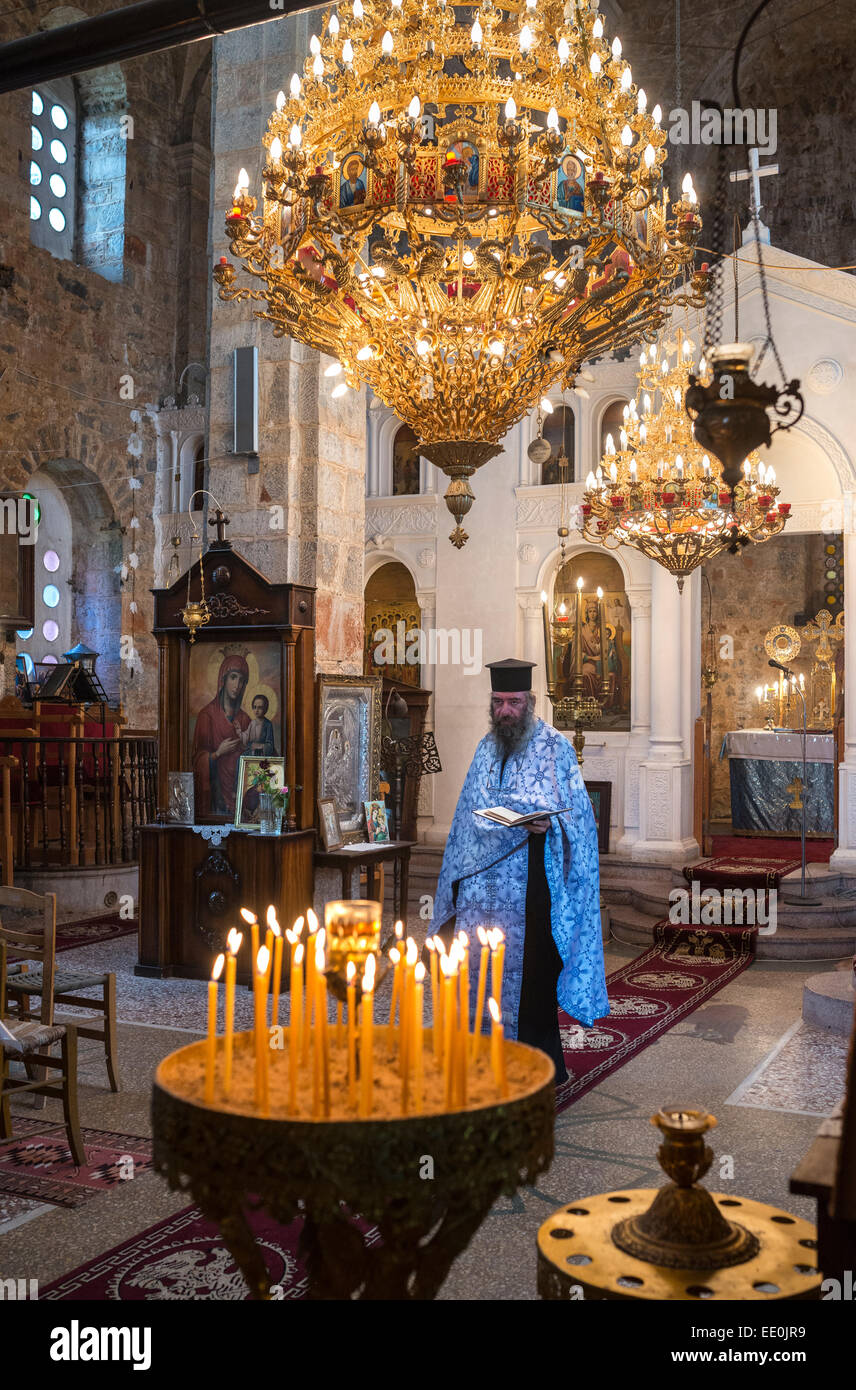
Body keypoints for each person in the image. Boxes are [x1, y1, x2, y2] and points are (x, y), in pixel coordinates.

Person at [431, 658, 607, 1082]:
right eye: (498, 702)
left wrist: (550, 823)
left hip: (532, 887)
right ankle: (479, 1057)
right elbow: (465, 817)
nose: (505, 710)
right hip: (481, 890)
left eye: (513, 701)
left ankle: (538, 1065)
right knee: (478, 970)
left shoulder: (555, 749)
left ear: (529, 702)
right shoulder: (484, 749)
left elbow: (580, 820)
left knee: (531, 978)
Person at [191, 652, 251, 817]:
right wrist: (217, 754)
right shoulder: (207, 715)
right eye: (233, 677)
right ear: (222, 679)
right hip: (215, 796)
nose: (237, 685)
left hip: (238, 795)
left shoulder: (245, 719)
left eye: (241, 680)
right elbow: (197, 761)